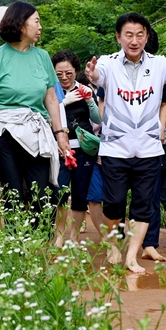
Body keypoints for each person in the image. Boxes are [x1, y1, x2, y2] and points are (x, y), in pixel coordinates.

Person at [84, 12, 166, 273]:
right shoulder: (108, 63)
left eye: (140, 34)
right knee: (115, 205)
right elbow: (98, 77)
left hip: (149, 149)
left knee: (144, 206)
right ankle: (112, 244)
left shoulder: (159, 63)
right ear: (119, 36)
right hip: (115, 149)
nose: (135, 40)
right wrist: (92, 74)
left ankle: (132, 256)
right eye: (128, 35)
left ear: (147, 36)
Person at [0, 1, 70, 220]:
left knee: (42, 193)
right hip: (5, 133)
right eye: (36, 21)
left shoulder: (43, 56)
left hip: (36, 131)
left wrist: (60, 135)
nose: (40, 26)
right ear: (21, 24)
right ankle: (15, 244)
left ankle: (38, 246)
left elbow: (51, 100)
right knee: (14, 193)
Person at [140, 27, 166, 262]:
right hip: (127, 147)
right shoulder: (116, 70)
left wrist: (159, 131)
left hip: (159, 149)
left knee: (159, 194)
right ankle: (125, 239)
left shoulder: (162, 76)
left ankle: (151, 242)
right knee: (135, 196)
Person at [52, 50, 101, 247]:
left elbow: (98, 119)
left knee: (80, 194)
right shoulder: (51, 92)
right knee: (60, 193)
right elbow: (47, 116)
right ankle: (59, 236)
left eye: (69, 73)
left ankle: (74, 237)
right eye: (59, 74)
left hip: (84, 150)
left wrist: (89, 100)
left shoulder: (84, 89)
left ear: (75, 71)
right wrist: (64, 103)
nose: (64, 77)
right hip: (60, 150)